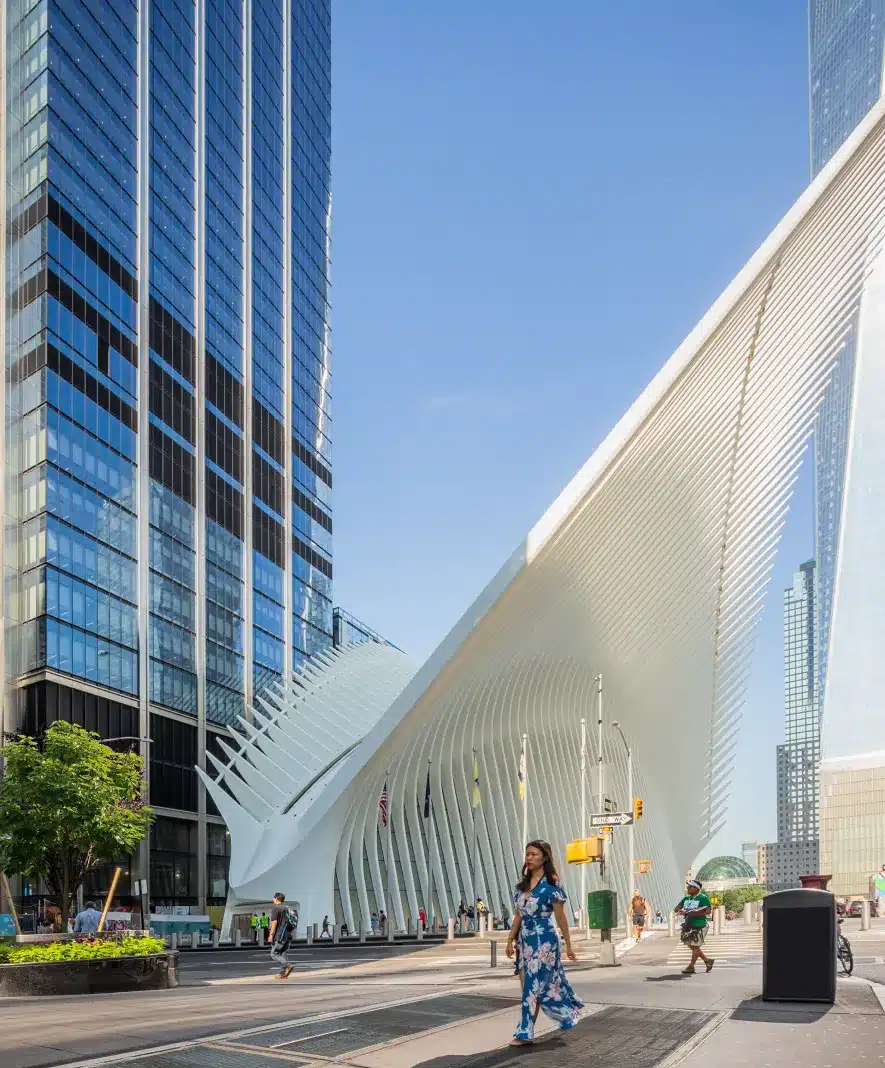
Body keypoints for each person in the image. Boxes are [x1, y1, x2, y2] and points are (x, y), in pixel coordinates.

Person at [505, 840, 582, 1046]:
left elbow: (561, 918)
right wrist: (510, 939)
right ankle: (567, 1012)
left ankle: (524, 1033)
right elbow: (518, 916)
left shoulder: (552, 885)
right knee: (530, 989)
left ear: (544, 858)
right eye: (527, 854)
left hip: (544, 941)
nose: (529, 858)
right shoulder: (521, 886)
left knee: (532, 987)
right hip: (525, 941)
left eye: (534, 854)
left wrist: (569, 945)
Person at [674, 879, 714, 974]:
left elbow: (708, 911)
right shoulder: (686, 899)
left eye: (690, 887)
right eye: (688, 886)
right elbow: (676, 908)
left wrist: (692, 913)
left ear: (696, 889)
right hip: (688, 925)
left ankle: (691, 966)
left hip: (700, 925)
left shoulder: (703, 898)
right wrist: (680, 910)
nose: (687, 888)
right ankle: (707, 961)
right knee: (690, 945)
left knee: (695, 946)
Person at [268, 892, 297, 979]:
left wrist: (271, 934)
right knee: (283, 954)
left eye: (273, 898)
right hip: (288, 934)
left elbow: (274, 922)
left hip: (280, 934)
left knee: (274, 954)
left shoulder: (276, 908)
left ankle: (288, 965)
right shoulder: (288, 908)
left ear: (276, 898)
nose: (273, 899)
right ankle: (282, 974)